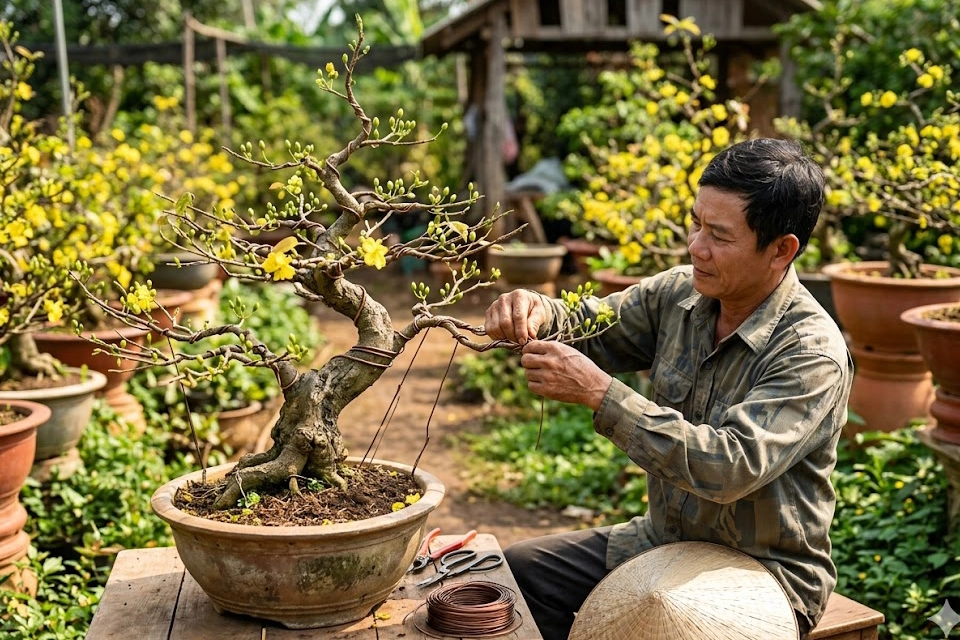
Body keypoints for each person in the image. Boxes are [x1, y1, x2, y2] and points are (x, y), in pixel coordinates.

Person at [483, 138, 853, 640]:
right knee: (517, 574)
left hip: (763, 571)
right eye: (696, 223)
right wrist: (538, 310)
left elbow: (729, 467)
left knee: (668, 621)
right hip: (663, 541)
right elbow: (592, 326)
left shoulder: (810, 353)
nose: (696, 246)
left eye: (719, 235)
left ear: (781, 250)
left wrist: (601, 394)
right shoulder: (680, 292)